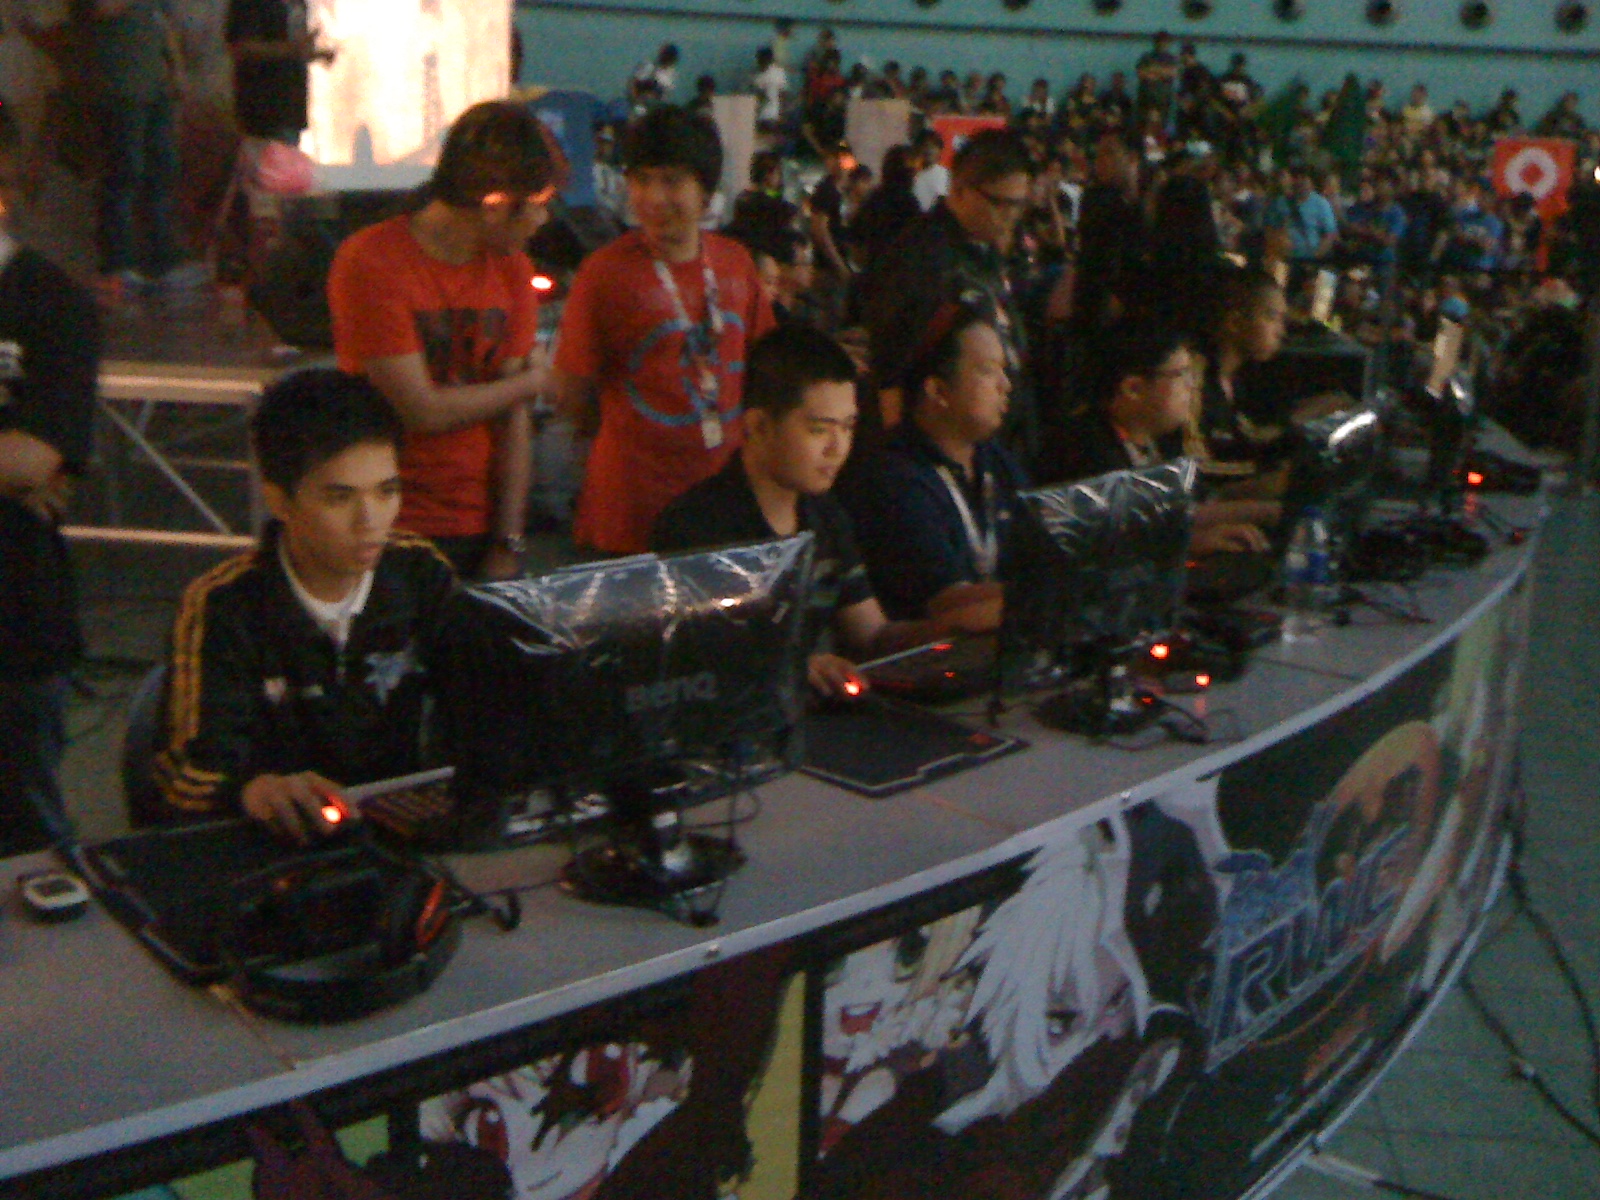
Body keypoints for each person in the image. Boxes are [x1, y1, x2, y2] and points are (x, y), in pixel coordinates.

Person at [152, 370, 456, 842]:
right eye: (340, 498)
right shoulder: (226, 604)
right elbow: (184, 773)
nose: (370, 521)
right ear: (279, 500)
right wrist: (251, 790)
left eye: (387, 491)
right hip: (274, 840)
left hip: (394, 830)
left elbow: (482, 697)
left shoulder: (418, 573)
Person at [653, 325, 977, 697]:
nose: (838, 448)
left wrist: (955, 629)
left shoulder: (826, 518)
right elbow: (694, 669)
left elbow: (872, 634)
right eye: (819, 429)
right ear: (759, 426)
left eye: (848, 427)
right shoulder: (698, 528)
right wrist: (790, 668)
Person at [328, 100, 562, 581]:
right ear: (495, 205)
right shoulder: (373, 262)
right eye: (538, 204)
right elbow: (421, 410)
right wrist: (531, 382)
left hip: (475, 521)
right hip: (384, 523)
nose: (543, 220)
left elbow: (513, 421)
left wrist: (508, 539)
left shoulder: (511, 268)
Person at [550, 106, 775, 556]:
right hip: (628, 515)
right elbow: (572, 394)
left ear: (706, 192)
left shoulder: (735, 263)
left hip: (720, 508)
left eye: (671, 181)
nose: (653, 197)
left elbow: (766, 364)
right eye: (641, 180)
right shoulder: (603, 273)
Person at [0, 109, 101, 855]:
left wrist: (21, 465)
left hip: (15, 617)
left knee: (28, 842)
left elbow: (35, 460)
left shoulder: (48, 299)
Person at [843, 303, 1027, 630]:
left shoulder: (996, 461)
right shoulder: (893, 477)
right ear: (938, 390)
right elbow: (946, 604)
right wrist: (1049, 592)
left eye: (1004, 370)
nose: (1005, 385)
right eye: (988, 371)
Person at [858, 129, 1037, 455]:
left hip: (992, 437)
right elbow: (890, 368)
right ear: (959, 190)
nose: (1010, 217)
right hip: (935, 443)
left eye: (1019, 205)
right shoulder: (922, 256)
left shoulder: (985, 252)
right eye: (1000, 204)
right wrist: (898, 455)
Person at [1051, 323, 1270, 554]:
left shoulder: (1156, 439)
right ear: (1133, 389)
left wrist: (1268, 509)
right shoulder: (1086, 451)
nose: (1192, 385)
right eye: (1182, 374)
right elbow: (1104, 543)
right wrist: (1189, 545)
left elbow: (1188, 508)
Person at [81, 0, 209, 298]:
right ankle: (118, 262)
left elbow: (164, 24)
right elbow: (99, 9)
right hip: (121, 88)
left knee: (162, 171)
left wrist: (176, 70)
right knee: (124, 174)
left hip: (155, 87)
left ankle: (162, 259)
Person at [225, 0, 335, 145]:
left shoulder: (298, 3)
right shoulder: (250, 4)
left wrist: (315, 53)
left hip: (291, 105)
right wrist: (291, 50)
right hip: (260, 106)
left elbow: (296, 47)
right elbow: (241, 48)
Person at [1264, 164, 1339, 262]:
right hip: (1286, 258)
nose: (1299, 181)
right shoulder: (1280, 203)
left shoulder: (1322, 204)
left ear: (1311, 182)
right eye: (1296, 177)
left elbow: (1329, 235)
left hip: (1313, 258)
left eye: (1303, 178)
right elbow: (1270, 230)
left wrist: (1317, 256)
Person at [912, 129, 950, 212]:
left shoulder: (946, 175)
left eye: (934, 146)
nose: (929, 150)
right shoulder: (909, 175)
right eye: (925, 145)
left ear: (940, 150)